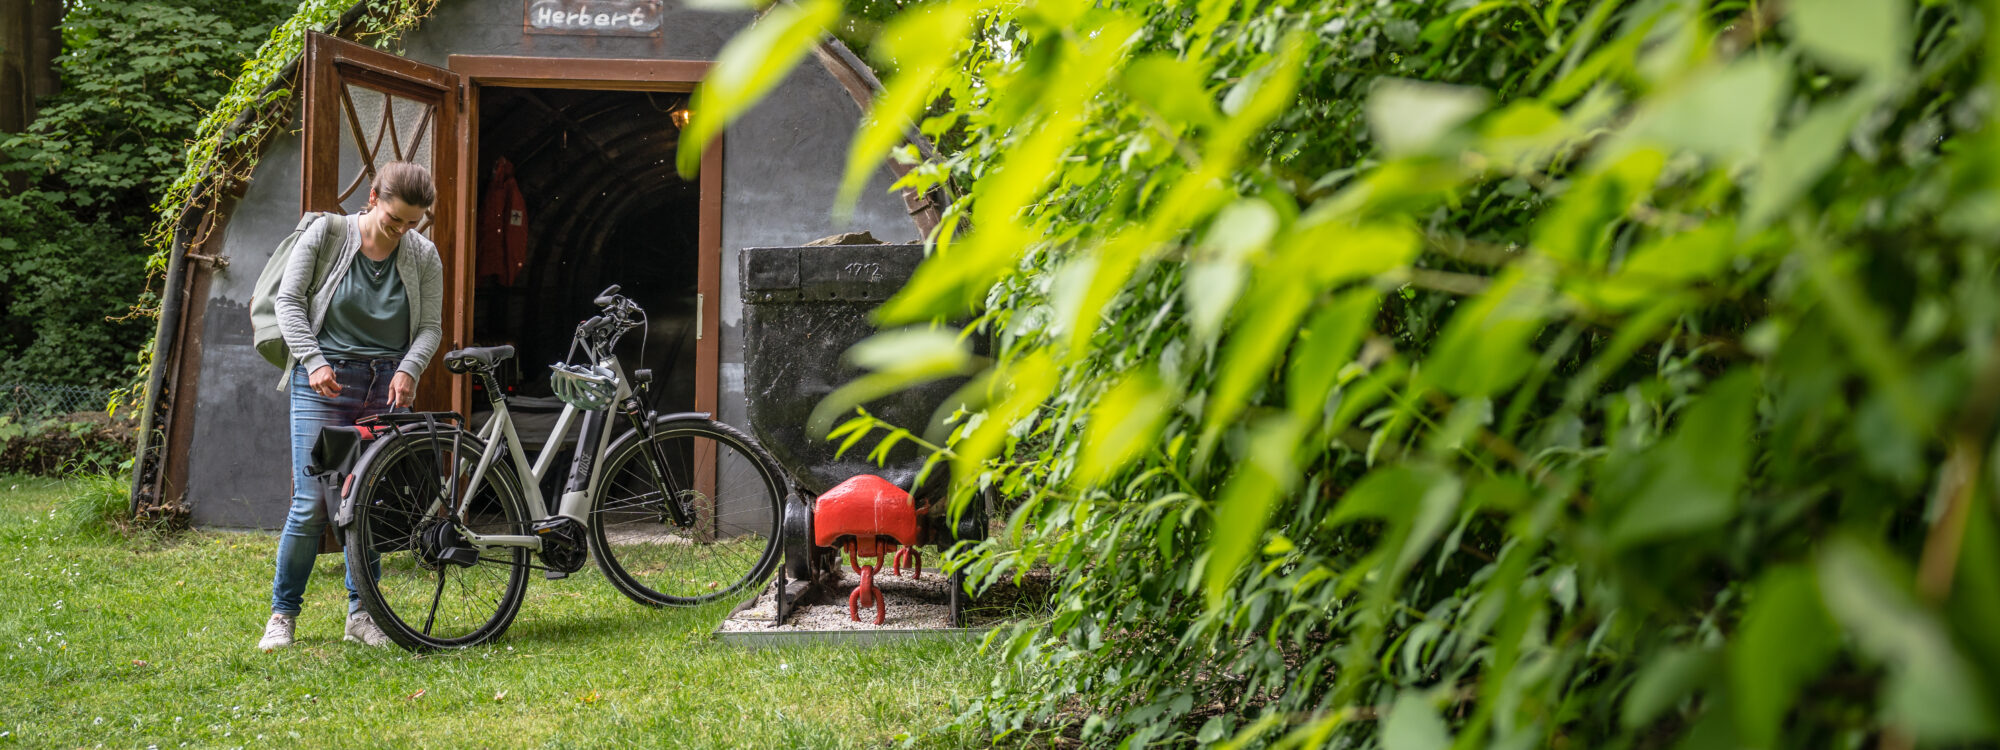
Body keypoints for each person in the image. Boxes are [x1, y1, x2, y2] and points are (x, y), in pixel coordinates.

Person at [259, 162, 444, 651]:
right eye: (394, 219)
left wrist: (409, 370)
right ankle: (283, 615)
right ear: (373, 198)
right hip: (325, 381)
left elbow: (430, 328)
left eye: (413, 222)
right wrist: (313, 360)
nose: (403, 230)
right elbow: (289, 301)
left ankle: (362, 615)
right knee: (312, 505)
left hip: (385, 384)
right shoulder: (327, 234)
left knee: (368, 503)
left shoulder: (423, 255)